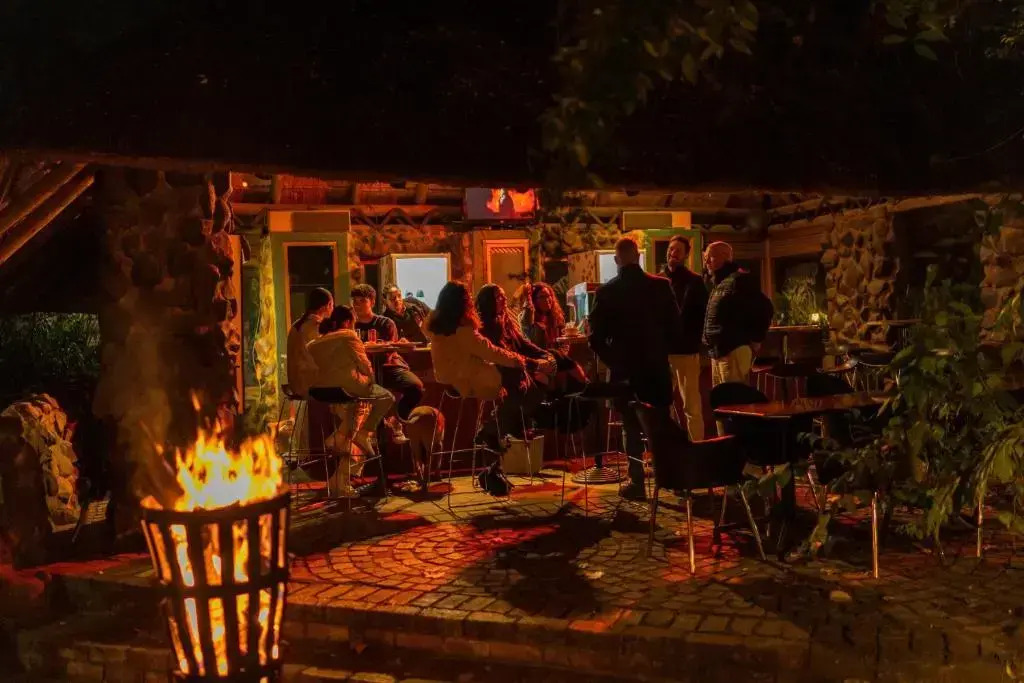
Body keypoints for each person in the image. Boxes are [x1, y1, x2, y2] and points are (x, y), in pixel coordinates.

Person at [589, 237, 682, 501]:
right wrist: (660, 350)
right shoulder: (661, 286)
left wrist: (615, 361)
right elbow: (675, 328)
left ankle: (637, 482)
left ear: (616, 260)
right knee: (660, 425)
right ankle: (670, 477)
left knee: (630, 427)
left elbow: (595, 338)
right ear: (638, 257)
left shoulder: (607, 292)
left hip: (625, 373)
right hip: (655, 368)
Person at [422, 282, 534, 449]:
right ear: (462, 302)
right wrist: (519, 360)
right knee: (517, 377)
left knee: (514, 380)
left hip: (447, 379)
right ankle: (496, 429)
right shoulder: (463, 329)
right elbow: (490, 351)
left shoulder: (435, 325)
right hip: (466, 380)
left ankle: (501, 428)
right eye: (468, 297)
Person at [308, 306, 395, 496]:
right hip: (349, 388)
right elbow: (364, 363)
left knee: (357, 413)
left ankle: (339, 465)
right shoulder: (349, 335)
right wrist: (371, 380)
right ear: (348, 322)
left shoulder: (316, 342)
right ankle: (361, 435)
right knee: (386, 398)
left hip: (323, 391)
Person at [476, 284, 555, 442]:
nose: (504, 298)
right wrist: (535, 363)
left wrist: (544, 354)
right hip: (497, 371)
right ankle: (506, 428)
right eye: (499, 297)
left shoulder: (504, 318)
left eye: (503, 295)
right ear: (488, 302)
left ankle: (504, 428)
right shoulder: (485, 325)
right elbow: (502, 354)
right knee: (526, 383)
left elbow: (521, 343)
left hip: (515, 366)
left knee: (537, 381)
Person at [351, 284, 424, 440]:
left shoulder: (385, 323)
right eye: (355, 301)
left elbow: (389, 351)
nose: (357, 305)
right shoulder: (351, 326)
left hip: (388, 368)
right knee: (371, 394)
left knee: (416, 387)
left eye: (362, 301)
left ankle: (397, 418)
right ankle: (374, 433)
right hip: (363, 372)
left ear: (372, 301)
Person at [702, 241, 774, 386]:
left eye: (711, 257)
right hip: (719, 352)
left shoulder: (739, 280)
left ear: (725, 257)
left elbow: (765, 308)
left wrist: (756, 339)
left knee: (733, 397)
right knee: (721, 397)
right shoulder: (721, 283)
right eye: (705, 258)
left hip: (732, 351)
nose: (707, 262)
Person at [661, 235, 709, 441]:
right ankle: (671, 445)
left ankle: (696, 447)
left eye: (678, 251)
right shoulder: (659, 281)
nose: (673, 253)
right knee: (663, 403)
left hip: (686, 350)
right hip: (664, 351)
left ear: (686, 255)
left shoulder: (694, 281)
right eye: (671, 249)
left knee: (691, 404)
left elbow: (703, 315)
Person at [285, 287, 333, 398]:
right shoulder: (315, 326)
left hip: (295, 382)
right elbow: (323, 355)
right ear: (326, 306)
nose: (332, 309)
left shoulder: (297, 324)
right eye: (332, 305)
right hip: (309, 383)